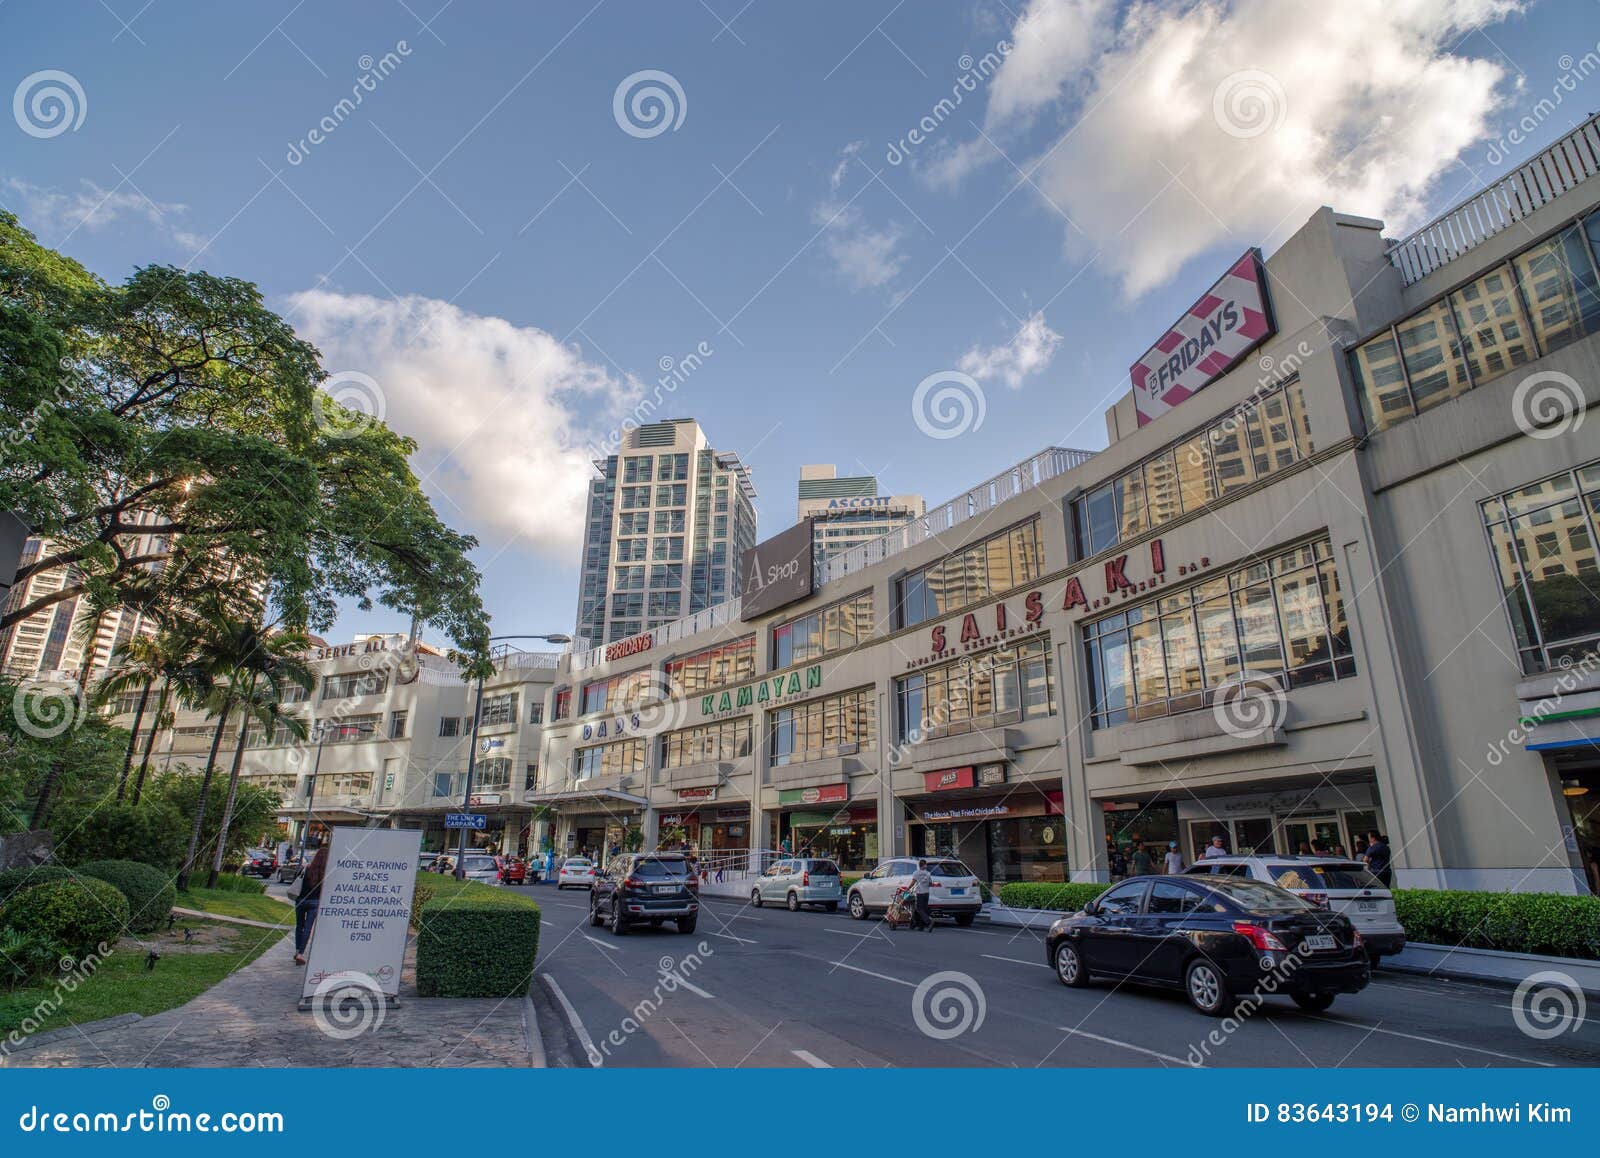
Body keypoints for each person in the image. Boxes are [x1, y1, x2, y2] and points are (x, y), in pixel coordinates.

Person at [292, 839, 331, 966]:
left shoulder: (307, 868)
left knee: (299, 926)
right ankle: (300, 954)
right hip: (314, 902)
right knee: (308, 928)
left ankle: (297, 950)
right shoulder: (326, 873)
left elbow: (296, 879)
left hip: (300, 900)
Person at [909, 859, 934, 931]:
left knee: (919, 909)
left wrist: (908, 888)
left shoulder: (915, 873)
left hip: (920, 893)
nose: (926, 866)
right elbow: (930, 883)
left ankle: (928, 921)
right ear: (924, 865)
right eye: (926, 864)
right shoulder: (928, 873)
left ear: (919, 865)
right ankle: (920, 926)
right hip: (927, 893)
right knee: (924, 909)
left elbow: (913, 882)